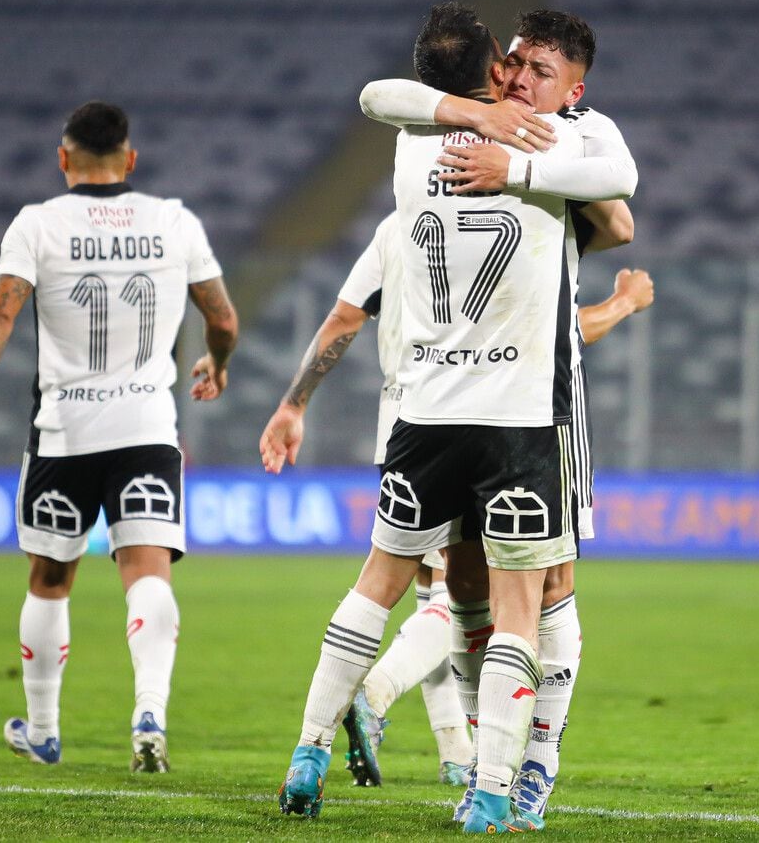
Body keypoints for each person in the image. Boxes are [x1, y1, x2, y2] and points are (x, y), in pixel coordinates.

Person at [275, 3, 634, 833]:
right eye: (512, 65)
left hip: (424, 412)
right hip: (518, 417)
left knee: (394, 584)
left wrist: (494, 137)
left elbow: (377, 95)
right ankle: (496, 786)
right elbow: (623, 198)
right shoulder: (561, 143)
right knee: (517, 604)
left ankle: (312, 749)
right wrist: (514, 154)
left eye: (537, 71)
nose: (519, 78)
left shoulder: (410, 149)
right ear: (492, 71)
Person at [258, 214, 650, 789]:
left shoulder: (400, 220)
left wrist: (295, 402)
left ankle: (451, 751)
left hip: (411, 420)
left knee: (438, 587)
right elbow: (556, 328)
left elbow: (345, 315)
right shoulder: (529, 209)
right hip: (506, 422)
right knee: (520, 591)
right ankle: (385, 694)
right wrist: (621, 304)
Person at [0, 101, 238, 772]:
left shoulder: (38, 224)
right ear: (130, 159)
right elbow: (221, 315)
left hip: (64, 431)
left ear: (63, 159)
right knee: (147, 570)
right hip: (148, 427)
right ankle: (150, 712)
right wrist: (216, 362)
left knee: (49, 579)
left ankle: (43, 730)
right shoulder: (172, 220)